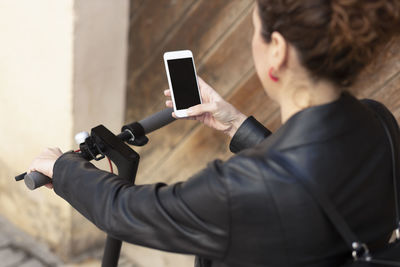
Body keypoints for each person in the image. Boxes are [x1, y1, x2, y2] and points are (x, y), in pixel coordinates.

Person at [28, 0, 400, 266]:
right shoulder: (378, 122)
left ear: (278, 52)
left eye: (255, 31)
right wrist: (235, 124)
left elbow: (128, 212)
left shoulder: (245, 188)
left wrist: (63, 168)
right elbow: (312, 178)